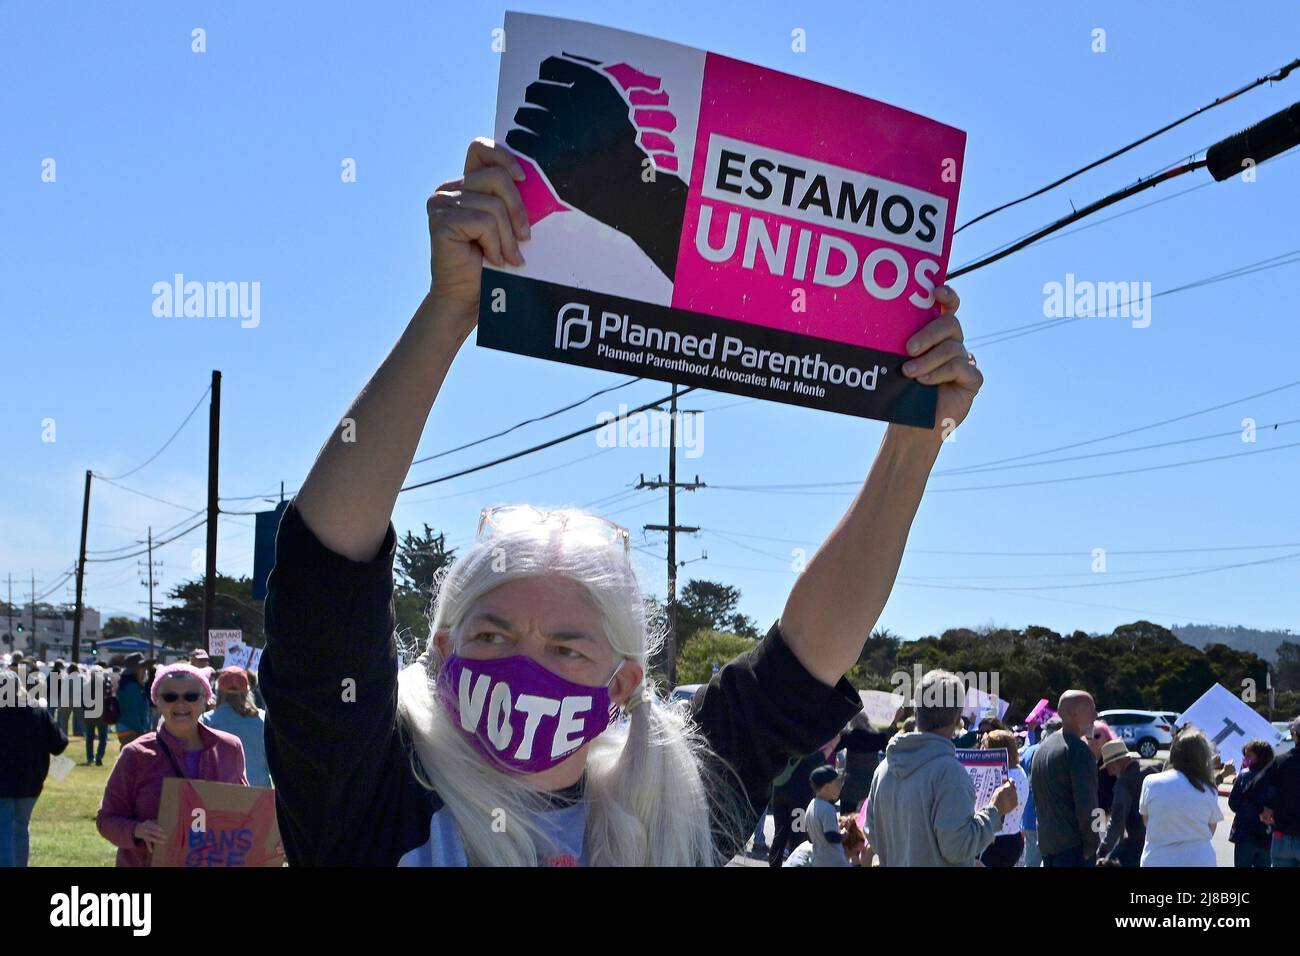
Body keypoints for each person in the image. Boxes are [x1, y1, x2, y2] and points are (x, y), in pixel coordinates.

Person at [258, 137, 984, 867]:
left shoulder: (672, 808)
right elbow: (325, 573)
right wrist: (449, 309)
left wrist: (915, 440)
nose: (525, 666)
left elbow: (804, 660)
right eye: (491, 636)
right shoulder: (375, 797)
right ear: (442, 652)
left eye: (567, 647)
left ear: (625, 684)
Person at [96, 664, 248, 866]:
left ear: (206, 701)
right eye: (170, 697)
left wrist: (270, 839)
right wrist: (137, 830)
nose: (181, 704)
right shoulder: (136, 754)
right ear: (157, 702)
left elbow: (246, 813)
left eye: (191, 696)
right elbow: (106, 820)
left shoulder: (230, 748)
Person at [865, 670, 1016, 866]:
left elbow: (873, 835)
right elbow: (958, 848)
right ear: (957, 719)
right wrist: (996, 810)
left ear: (917, 713)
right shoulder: (949, 772)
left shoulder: (883, 769)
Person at [0, 669, 69, 866]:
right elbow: (59, 744)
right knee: (20, 828)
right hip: (30, 782)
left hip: (3, 783)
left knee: (3, 829)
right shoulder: (38, 712)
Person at [1029, 690, 1099, 866]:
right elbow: (1088, 804)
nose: (1095, 715)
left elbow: (1038, 801)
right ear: (1075, 714)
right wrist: (1093, 845)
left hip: (1048, 846)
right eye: (1091, 710)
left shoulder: (1041, 749)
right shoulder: (1078, 751)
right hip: (1074, 850)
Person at [1138, 726, 1223, 867]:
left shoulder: (1151, 782)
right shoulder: (1209, 789)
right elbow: (1211, 829)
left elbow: (1147, 820)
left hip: (1158, 859)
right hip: (1199, 860)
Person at [1243, 716, 1300, 867]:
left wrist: (1265, 809)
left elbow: (1251, 790)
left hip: (1282, 837)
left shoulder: (1281, 761)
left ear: (1294, 734)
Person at [201, 668, 272, 788]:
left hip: (217, 795)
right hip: (259, 796)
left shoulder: (207, 721)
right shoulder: (263, 719)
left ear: (219, 691)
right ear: (247, 691)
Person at [979, 729, 1028, 867]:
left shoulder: (1003, 777)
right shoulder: (1019, 771)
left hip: (996, 841)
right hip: (1014, 836)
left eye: (986, 748)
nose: (982, 752)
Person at [1097, 739, 1146, 867]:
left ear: (1118, 761)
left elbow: (1117, 822)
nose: (1108, 772)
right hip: (1156, 840)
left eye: (1108, 766)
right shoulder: (1150, 771)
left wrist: (1102, 850)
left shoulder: (1123, 784)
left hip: (1136, 844)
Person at [1019, 715, 1059, 868]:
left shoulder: (1030, 751)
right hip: (1051, 817)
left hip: (1029, 815)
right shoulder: (1058, 751)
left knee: (1031, 861)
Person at [836, 712, 895, 815]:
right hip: (871, 780)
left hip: (852, 781)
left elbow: (835, 748)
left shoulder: (849, 737)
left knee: (846, 815)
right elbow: (889, 750)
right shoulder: (878, 737)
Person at [793, 765, 851, 867]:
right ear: (826, 787)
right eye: (837, 784)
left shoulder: (811, 806)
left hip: (817, 859)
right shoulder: (828, 809)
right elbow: (831, 836)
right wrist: (843, 834)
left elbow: (811, 837)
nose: (840, 788)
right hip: (833, 860)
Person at [1227, 739, 1274, 868]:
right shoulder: (1275, 775)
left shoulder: (1243, 776)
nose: (1245, 759)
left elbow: (1233, 803)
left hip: (1245, 832)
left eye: (1248, 756)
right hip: (1266, 834)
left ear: (1260, 756)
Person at [113, 653, 152, 747]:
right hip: (131, 731)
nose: (145, 670)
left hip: (130, 729)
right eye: (143, 667)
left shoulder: (133, 686)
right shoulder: (131, 687)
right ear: (136, 670)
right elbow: (132, 713)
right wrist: (142, 732)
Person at [82, 664, 111, 765]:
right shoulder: (105, 685)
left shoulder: (86, 685)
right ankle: (99, 756)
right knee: (103, 737)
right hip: (102, 714)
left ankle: (90, 758)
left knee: (89, 738)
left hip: (89, 714)